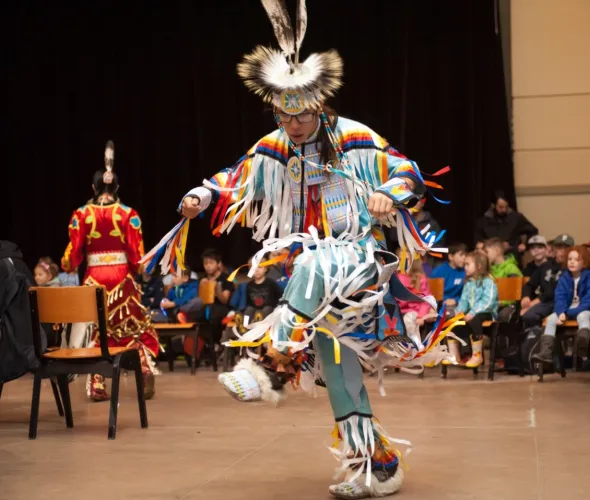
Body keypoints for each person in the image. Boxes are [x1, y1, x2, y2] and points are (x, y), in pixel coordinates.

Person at [143, 2, 456, 497]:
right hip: (314, 291)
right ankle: (375, 464)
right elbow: (235, 177)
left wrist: (387, 193)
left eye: (301, 116)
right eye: (283, 116)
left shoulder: (355, 138)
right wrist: (201, 196)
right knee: (338, 370)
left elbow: (409, 173)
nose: (292, 125)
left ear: (319, 105)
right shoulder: (275, 146)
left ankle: (267, 365)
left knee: (313, 259)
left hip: (360, 263)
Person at [61, 140, 159, 401]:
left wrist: (67, 264)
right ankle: (143, 367)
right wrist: (138, 270)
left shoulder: (80, 215)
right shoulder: (129, 214)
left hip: (94, 278)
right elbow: (138, 256)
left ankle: (97, 385)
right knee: (130, 326)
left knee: (97, 329)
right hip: (122, 279)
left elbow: (73, 255)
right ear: (117, 187)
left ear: (93, 187)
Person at [533, 245, 590, 364]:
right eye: (570, 259)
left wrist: (567, 313)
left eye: (576, 259)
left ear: (584, 262)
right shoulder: (564, 278)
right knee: (550, 320)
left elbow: (587, 302)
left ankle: (583, 345)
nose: (572, 262)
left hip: (584, 309)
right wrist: (561, 312)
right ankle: (546, 353)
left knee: (583, 316)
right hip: (567, 309)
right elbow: (559, 298)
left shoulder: (588, 277)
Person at [450, 251, 499, 368]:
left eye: (468, 264)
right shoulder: (468, 284)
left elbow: (488, 302)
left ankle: (477, 355)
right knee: (453, 323)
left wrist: (472, 313)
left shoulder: (488, 281)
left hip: (486, 313)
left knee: (475, 320)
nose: (464, 267)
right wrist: (458, 313)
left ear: (479, 266)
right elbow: (464, 301)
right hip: (472, 314)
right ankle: (454, 355)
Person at [474, 191, 538, 261]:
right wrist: (497, 247)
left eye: (506, 207)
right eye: (501, 207)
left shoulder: (516, 218)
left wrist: (525, 245)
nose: (504, 210)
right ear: (493, 205)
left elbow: (533, 230)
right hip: (491, 261)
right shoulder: (483, 221)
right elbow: (478, 242)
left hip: (513, 258)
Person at [484, 237, 522, 322]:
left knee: (503, 315)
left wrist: (497, 303)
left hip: (508, 305)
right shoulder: (489, 270)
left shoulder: (511, 268)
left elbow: (512, 296)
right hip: (493, 305)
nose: (486, 255)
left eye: (487, 252)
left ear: (497, 251)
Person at [430, 243, 467, 316]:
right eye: (461, 255)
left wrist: (455, 300)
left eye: (465, 255)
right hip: (440, 305)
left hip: (458, 304)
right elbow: (432, 294)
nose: (464, 258)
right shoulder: (439, 272)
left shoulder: (466, 271)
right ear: (451, 256)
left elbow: (467, 293)